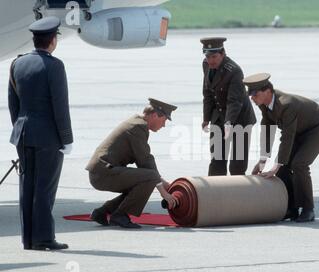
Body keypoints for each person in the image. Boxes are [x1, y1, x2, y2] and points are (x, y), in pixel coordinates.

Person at [8, 17, 73, 251]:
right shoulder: (55, 66)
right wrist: (66, 138)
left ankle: (28, 238)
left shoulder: (17, 64)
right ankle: (44, 238)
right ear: (52, 40)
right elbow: (60, 106)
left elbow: (13, 105)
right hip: (48, 137)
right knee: (44, 188)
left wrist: (21, 128)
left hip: (23, 134)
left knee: (27, 187)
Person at [243, 73, 319, 223]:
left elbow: (287, 137)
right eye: (251, 95)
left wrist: (275, 166)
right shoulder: (264, 104)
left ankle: (307, 209)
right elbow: (267, 129)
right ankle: (291, 208)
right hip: (299, 130)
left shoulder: (286, 104)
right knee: (284, 167)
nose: (252, 98)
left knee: (299, 164)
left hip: (318, 128)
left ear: (267, 91)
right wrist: (263, 160)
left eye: (255, 94)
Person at [86, 99, 179, 229]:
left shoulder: (137, 123)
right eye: (164, 120)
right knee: (149, 178)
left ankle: (103, 211)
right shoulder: (138, 127)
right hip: (103, 174)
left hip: (103, 172)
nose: (163, 125)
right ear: (154, 115)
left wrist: (163, 183)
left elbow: (144, 163)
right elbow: (145, 160)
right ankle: (120, 215)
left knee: (145, 181)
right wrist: (164, 192)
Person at [201, 37, 256, 176]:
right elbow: (207, 92)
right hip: (219, 116)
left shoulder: (234, 71)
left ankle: (237, 193)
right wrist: (206, 118)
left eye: (214, 56)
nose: (211, 60)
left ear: (223, 54)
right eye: (208, 56)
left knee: (237, 163)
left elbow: (234, 101)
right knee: (217, 160)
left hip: (240, 119)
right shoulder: (206, 64)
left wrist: (229, 122)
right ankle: (215, 192)